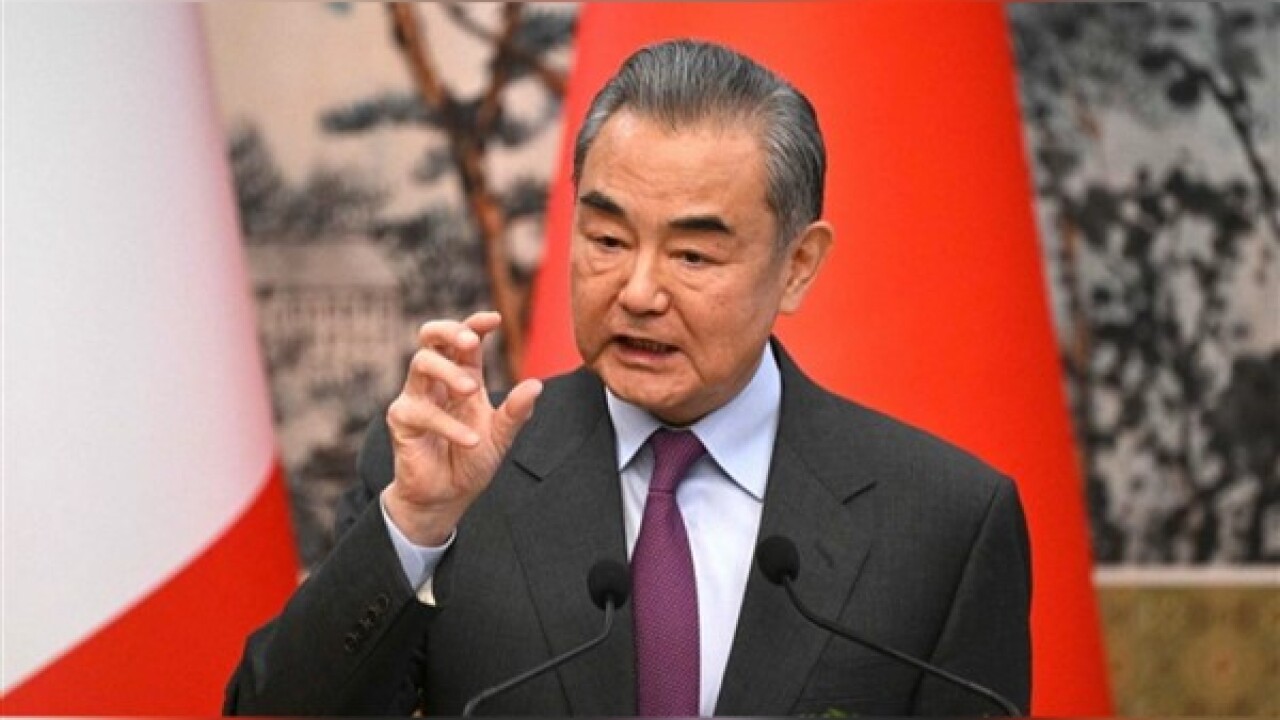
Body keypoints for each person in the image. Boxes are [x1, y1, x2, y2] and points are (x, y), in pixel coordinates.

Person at [226, 39, 1031, 716]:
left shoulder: (943, 524)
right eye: (607, 240)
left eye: (693, 255)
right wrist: (414, 527)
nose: (639, 292)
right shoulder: (450, 479)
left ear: (797, 266)